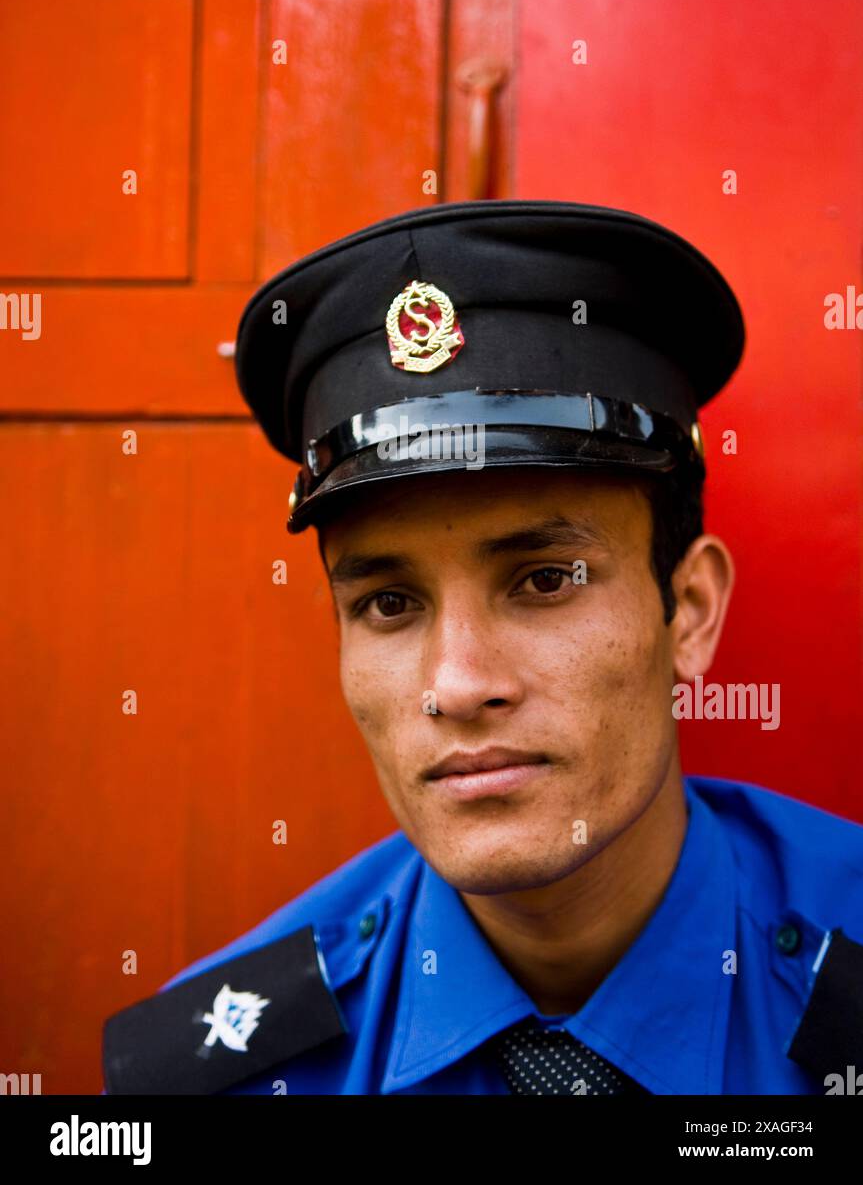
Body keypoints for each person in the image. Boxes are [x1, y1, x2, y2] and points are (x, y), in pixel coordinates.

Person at [103, 199, 863, 1095]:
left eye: (544, 580)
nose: (457, 685)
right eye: (389, 603)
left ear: (688, 610)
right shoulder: (219, 1071)